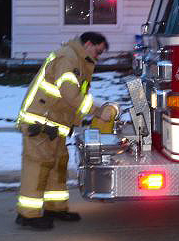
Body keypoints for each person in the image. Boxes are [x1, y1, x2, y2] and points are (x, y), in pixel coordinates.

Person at [14, 32, 119, 230]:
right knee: (38, 166)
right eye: (98, 51)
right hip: (40, 122)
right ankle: (28, 214)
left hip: (54, 124)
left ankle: (56, 208)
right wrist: (97, 111)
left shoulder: (79, 61)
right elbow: (70, 94)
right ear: (88, 44)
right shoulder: (68, 58)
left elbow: (73, 98)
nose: (98, 56)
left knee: (57, 165)